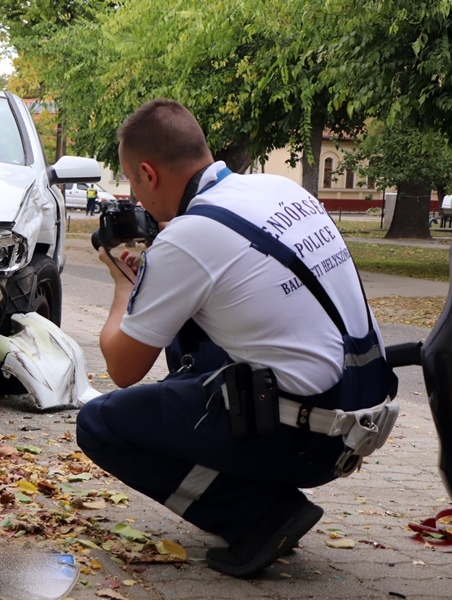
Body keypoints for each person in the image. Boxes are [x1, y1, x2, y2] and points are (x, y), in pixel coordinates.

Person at [76, 99, 397, 577]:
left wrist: (126, 287)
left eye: (132, 185)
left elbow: (123, 369)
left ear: (148, 173)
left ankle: (258, 514)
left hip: (311, 440)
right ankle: (258, 493)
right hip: (366, 409)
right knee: (186, 335)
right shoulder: (279, 190)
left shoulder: (188, 238)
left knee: (100, 422)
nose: (137, 201)